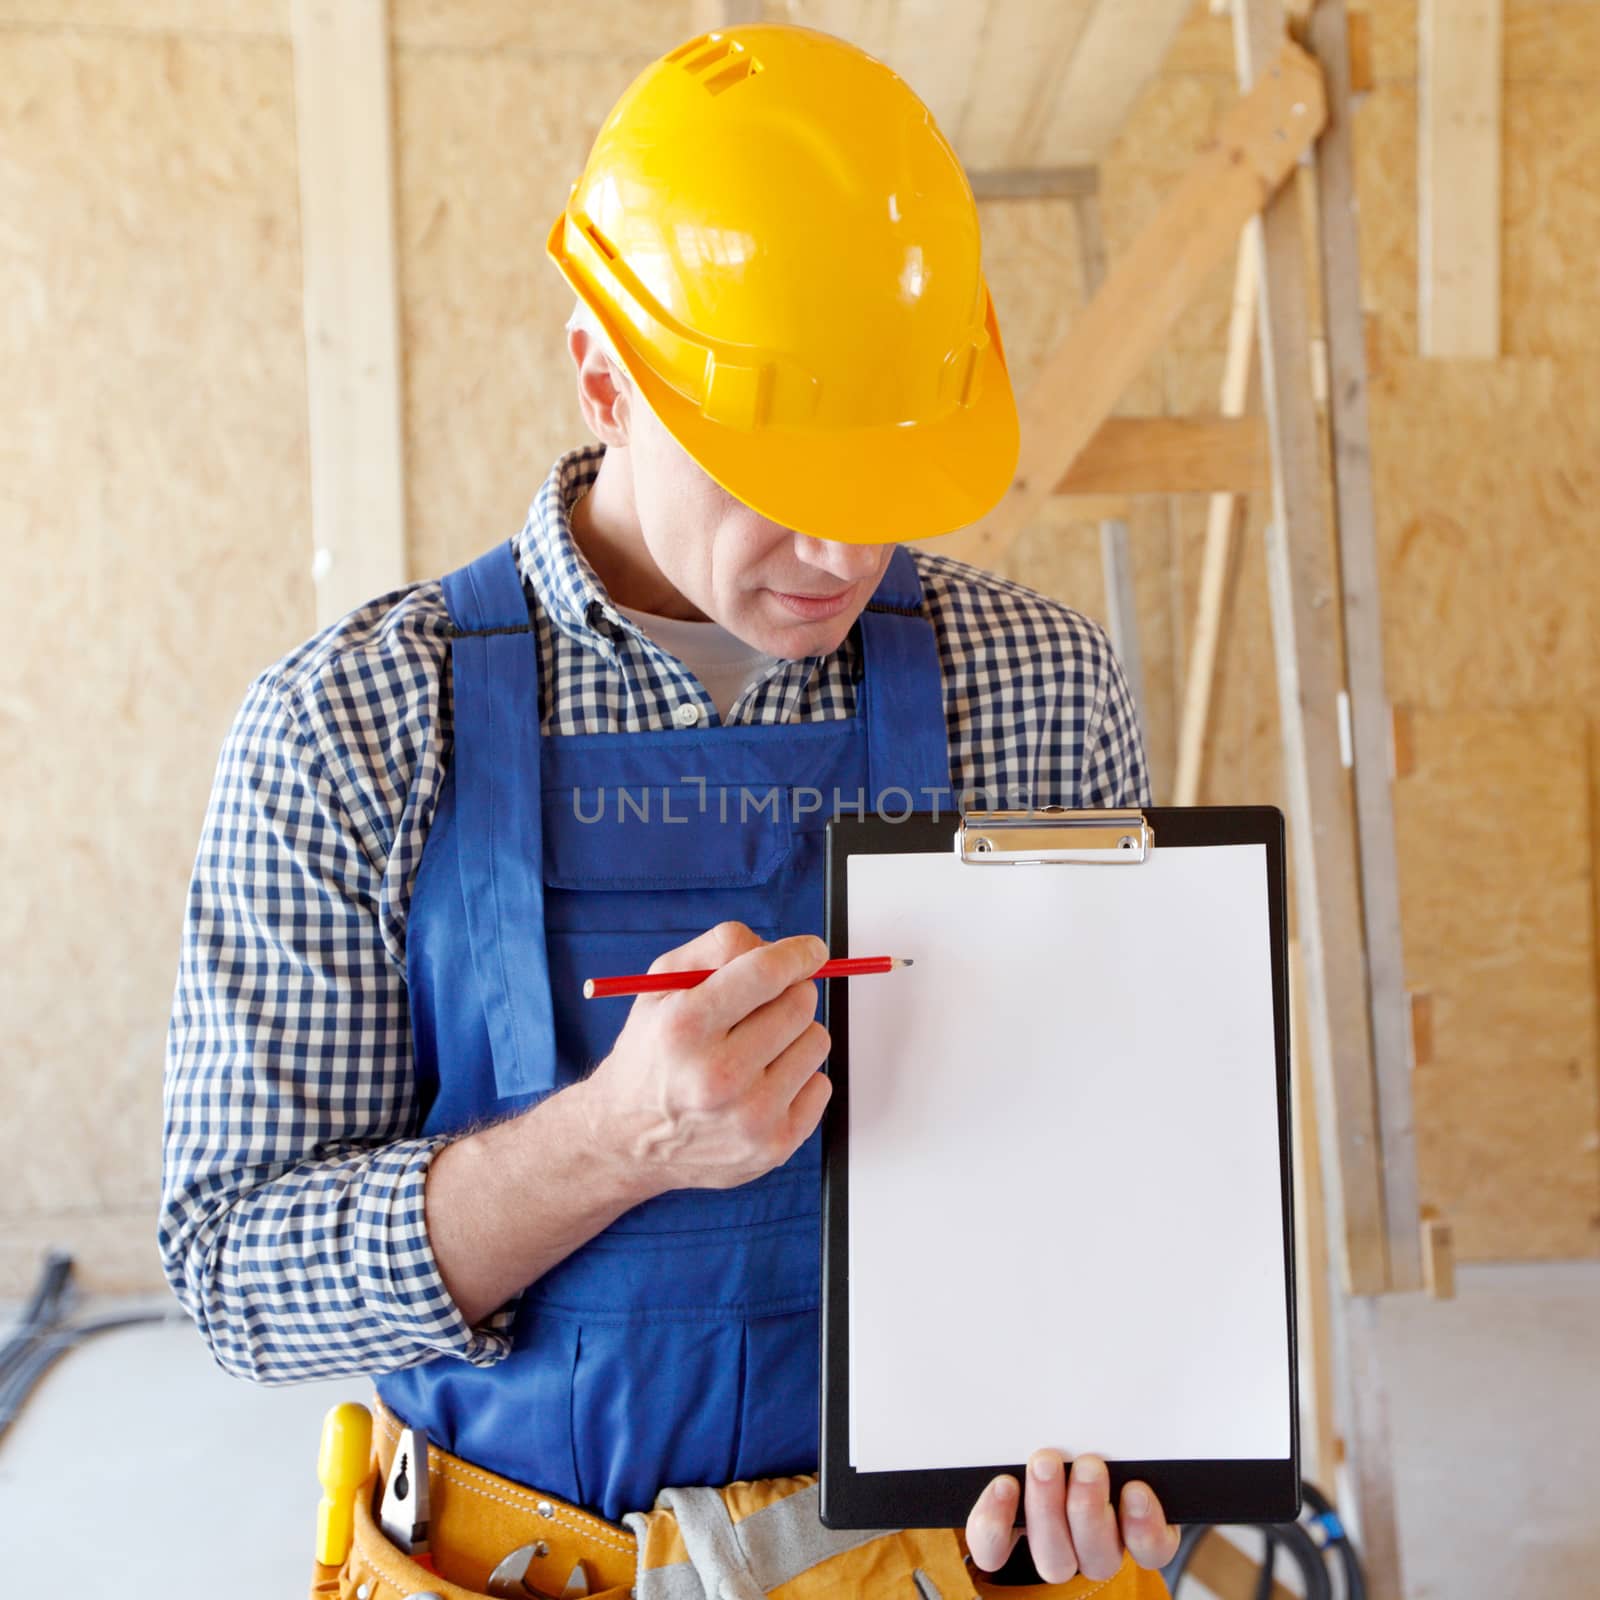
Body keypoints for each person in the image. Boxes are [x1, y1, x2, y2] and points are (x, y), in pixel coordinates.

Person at [160, 21, 1176, 1598]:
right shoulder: (354, 726)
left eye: (886, 471)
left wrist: (1115, 1426)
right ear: (603, 381)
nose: (840, 553)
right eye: (771, 467)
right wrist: (614, 1140)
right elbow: (235, 1279)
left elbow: (1103, 1180)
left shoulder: (1034, 681)